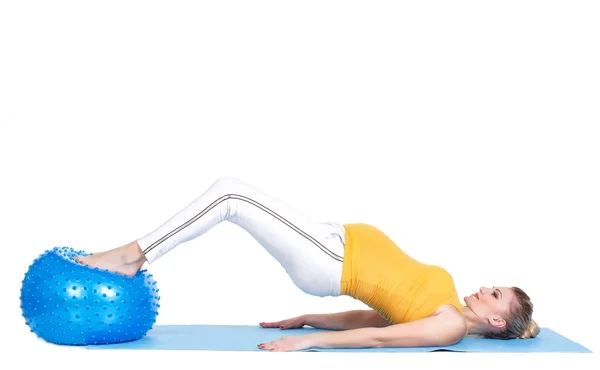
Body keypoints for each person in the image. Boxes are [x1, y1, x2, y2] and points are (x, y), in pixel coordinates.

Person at [74, 176, 539, 352]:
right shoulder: (444, 311)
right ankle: (131, 255)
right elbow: (377, 316)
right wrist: (307, 319)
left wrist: (309, 345)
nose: (484, 287)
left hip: (330, 260)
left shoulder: (449, 328)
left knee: (229, 193)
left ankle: (131, 256)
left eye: (493, 294)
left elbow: (379, 337)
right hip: (330, 244)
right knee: (232, 194)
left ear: (497, 318)